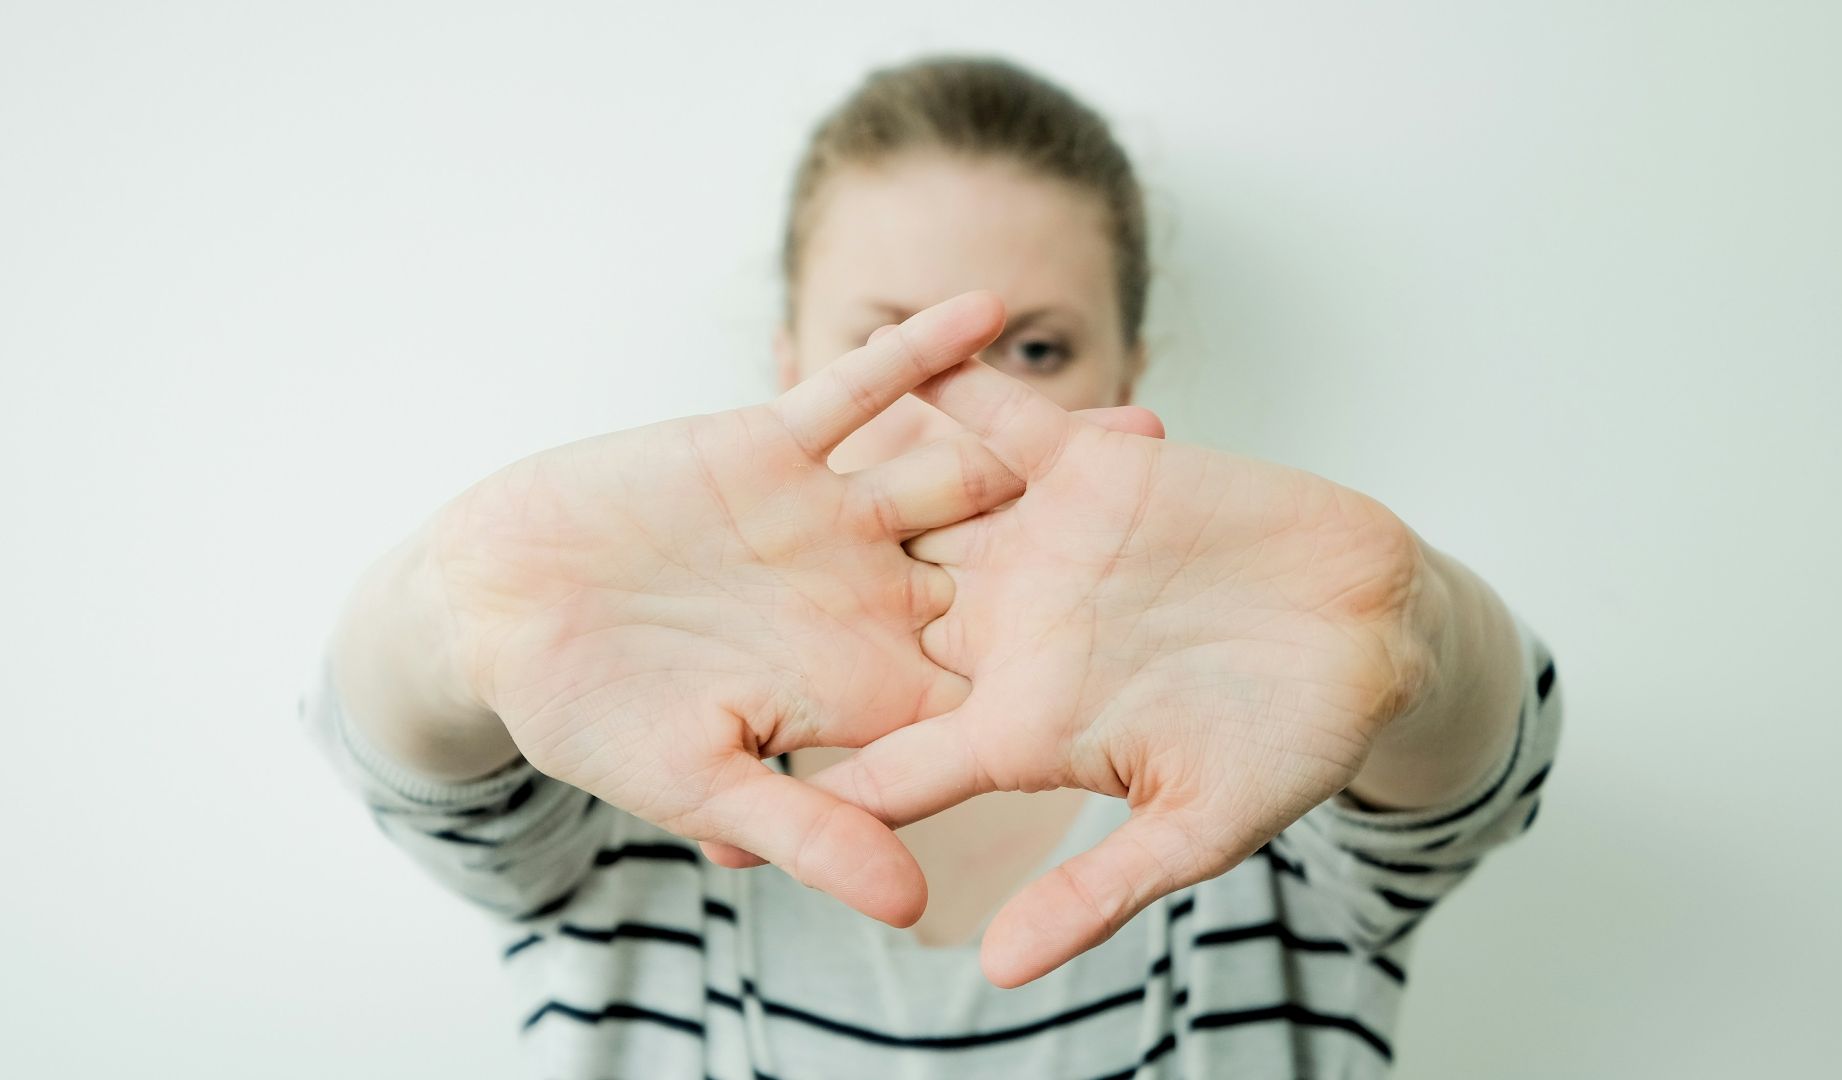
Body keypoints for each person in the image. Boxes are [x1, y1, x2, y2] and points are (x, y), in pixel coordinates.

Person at [300, 54, 1564, 1079]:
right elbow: (409, 756)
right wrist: (464, 606)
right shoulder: (633, 739)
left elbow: (1477, 766)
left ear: (1127, 375)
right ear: (793, 356)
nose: (952, 406)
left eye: (1036, 350)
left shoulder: (1254, 737)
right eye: (889, 340)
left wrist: (1409, 628)